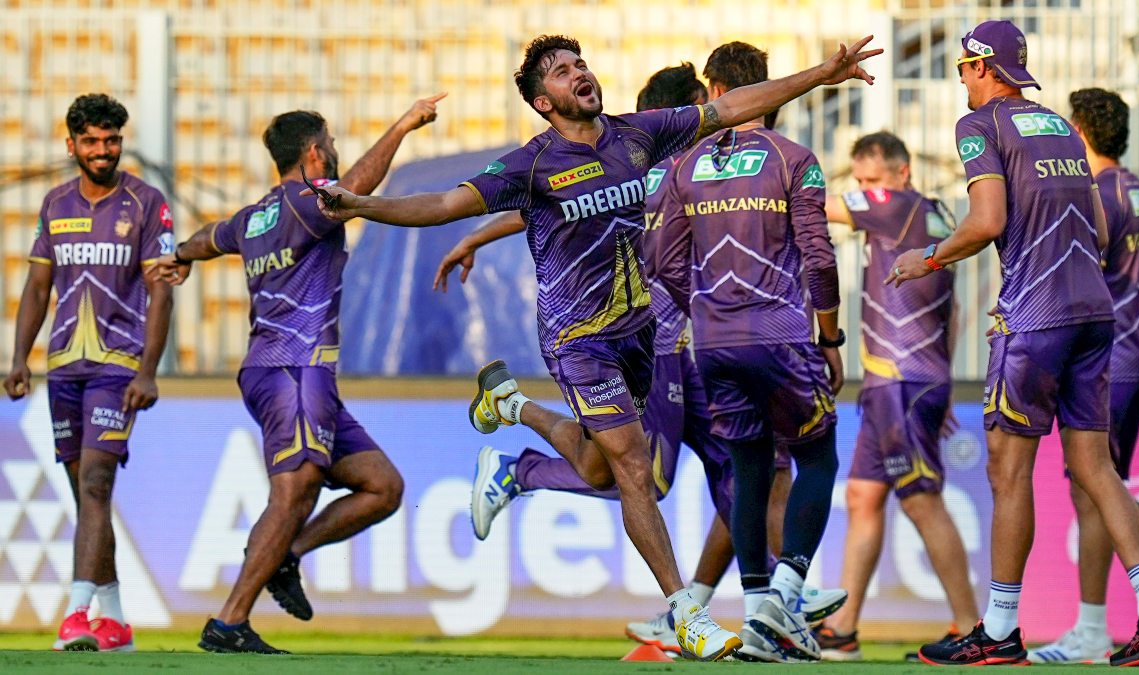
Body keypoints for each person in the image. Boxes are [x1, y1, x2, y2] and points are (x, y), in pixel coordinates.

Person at [311, 33, 879, 661]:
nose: (578, 72)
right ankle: (684, 610)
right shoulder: (531, 164)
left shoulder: (637, 134)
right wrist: (361, 203)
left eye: (579, 62)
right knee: (637, 466)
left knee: (598, 468)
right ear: (542, 101)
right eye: (560, 71)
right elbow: (445, 203)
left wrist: (820, 75)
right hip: (578, 339)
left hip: (641, 335)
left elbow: (730, 107)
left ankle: (511, 409)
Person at [432, 63, 842, 655]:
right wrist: (474, 235)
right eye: (701, 107)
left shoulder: (671, 162)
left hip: (689, 340)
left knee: (740, 468)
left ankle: (761, 604)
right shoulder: (665, 162)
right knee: (643, 473)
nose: (711, 118)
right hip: (665, 341)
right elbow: (547, 201)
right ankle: (722, 602)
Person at [888, 20, 1139, 667]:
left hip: (1037, 317)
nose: (960, 80)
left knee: (1008, 468)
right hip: (1096, 313)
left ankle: (997, 628)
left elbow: (988, 219)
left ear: (982, 66)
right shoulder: (1058, 125)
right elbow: (1098, 228)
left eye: (963, 67)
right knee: (1096, 466)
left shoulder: (982, 126)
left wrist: (929, 258)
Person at [150, 96, 444, 653]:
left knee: (383, 487)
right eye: (330, 146)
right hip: (294, 369)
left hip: (284, 372)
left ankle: (286, 553)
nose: (334, 155)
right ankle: (230, 621)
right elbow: (357, 184)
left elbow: (212, 235)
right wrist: (403, 123)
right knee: (294, 491)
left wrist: (182, 256)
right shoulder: (310, 203)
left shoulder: (254, 216)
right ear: (314, 153)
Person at [654, 41, 843, 663]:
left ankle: (759, 611)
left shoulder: (685, 166)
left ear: (712, 93)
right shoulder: (796, 160)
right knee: (816, 460)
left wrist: (705, 311)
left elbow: (663, 262)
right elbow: (818, 256)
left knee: (750, 470)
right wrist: (831, 335)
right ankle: (782, 600)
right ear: (773, 89)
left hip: (713, 344)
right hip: (783, 337)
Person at [1028, 88, 1139, 663]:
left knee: (1095, 483)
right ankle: (1107, 619)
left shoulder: (1099, 195)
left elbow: (1075, 271)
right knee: (1103, 485)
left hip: (1108, 360)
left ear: (1078, 133)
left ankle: (1105, 622)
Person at [3, 94, 174, 653]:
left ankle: (75, 613)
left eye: (112, 140)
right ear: (71, 143)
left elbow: (160, 291)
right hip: (63, 368)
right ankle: (117, 620)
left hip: (117, 366)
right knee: (86, 496)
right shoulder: (54, 204)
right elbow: (36, 287)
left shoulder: (147, 203)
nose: (104, 151)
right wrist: (18, 359)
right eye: (93, 141)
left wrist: (148, 371)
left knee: (97, 482)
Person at [815, 131, 977, 661]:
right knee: (865, 496)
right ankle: (843, 628)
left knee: (922, 499)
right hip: (907, 379)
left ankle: (970, 626)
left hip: (900, 381)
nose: (863, 191)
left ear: (901, 174)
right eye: (859, 182)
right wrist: (943, 381)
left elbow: (811, 203)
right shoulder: (934, 216)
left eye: (870, 180)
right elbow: (949, 312)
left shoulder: (894, 205)